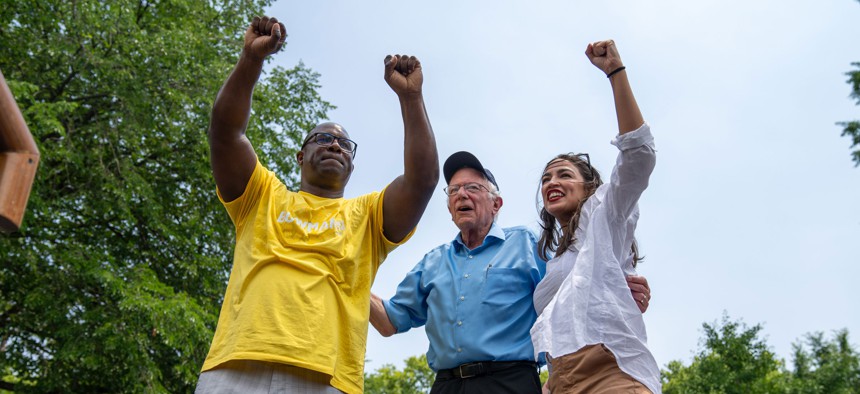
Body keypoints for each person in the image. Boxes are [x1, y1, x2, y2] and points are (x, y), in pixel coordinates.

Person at [196, 16, 439, 394]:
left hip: (327, 377)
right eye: (322, 138)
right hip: (236, 365)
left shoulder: (368, 218)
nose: (335, 145)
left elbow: (422, 181)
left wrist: (411, 99)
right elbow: (225, 132)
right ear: (300, 155)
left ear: (352, 164)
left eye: (344, 144)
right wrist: (250, 58)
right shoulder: (260, 196)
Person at [369, 151, 652, 394]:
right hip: (446, 385)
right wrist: (342, 275)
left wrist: (618, 285)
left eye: (472, 187)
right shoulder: (432, 262)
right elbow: (388, 321)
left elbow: (573, 287)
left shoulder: (527, 246)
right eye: (453, 191)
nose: (461, 195)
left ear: (496, 204)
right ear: (449, 207)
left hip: (511, 382)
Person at [530, 40, 660, 393]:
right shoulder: (557, 262)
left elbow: (639, 157)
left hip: (609, 372)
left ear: (589, 188)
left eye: (563, 175)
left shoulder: (605, 213)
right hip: (559, 379)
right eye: (545, 178)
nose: (552, 182)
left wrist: (615, 72)